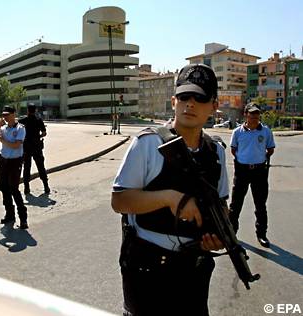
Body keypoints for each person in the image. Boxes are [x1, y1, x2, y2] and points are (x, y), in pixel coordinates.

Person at [111, 64, 229, 316]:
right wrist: (169, 198)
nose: (191, 104)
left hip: (194, 269)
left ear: (213, 106)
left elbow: (221, 204)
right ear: (174, 101)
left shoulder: (215, 152)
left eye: (200, 98)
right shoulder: (148, 143)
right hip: (148, 268)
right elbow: (119, 201)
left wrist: (217, 235)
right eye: (185, 97)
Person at [229, 103, 275, 248]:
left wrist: (258, 158)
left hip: (259, 172)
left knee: (260, 205)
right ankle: (231, 234)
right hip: (242, 171)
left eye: (257, 114)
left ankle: (261, 234)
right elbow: (233, 149)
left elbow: (270, 149)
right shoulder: (237, 132)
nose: (254, 117)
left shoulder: (266, 131)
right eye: (252, 114)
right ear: (246, 115)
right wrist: (245, 160)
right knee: (235, 205)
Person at [0, 105, 28, 229]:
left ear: (14, 114)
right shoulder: (3, 128)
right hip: (3, 161)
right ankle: (9, 215)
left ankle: (23, 218)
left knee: (14, 189)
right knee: (4, 188)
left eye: (7, 115)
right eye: (4, 115)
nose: (5, 117)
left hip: (15, 162)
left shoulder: (20, 128)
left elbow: (16, 145)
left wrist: (3, 141)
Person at [19, 103, 50, 194]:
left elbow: (17, 130)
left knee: (27, 168)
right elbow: (44, 133)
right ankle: (46, 186)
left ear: (28, 111)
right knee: (41, 167)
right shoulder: (39, 120)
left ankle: (26, 188)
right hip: (37, 147)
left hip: (26, 147)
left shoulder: (23, 120)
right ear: (35, 110)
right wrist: (38, 136)